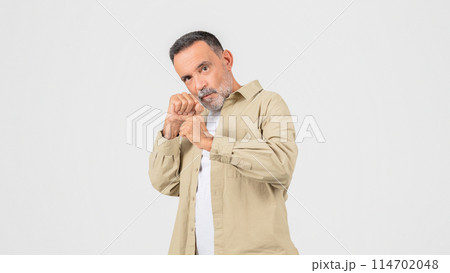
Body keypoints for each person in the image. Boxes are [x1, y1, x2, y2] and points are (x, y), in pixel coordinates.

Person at [148, 30, 299, 254]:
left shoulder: (267, 103)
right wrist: (170, 130)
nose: (199, 85)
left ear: (226, 60)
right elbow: (167, 184)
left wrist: (210, 142)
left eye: (204, 68)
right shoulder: (195, 119)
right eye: (188, 78)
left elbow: (281, 166)